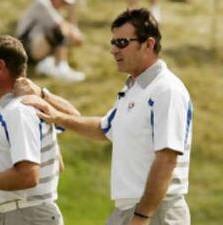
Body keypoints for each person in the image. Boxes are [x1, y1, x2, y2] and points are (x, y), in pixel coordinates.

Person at [22, 8, 192, 225]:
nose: (113, 50)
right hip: (128, 210)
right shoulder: (133, 88)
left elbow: (167, 159)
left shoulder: (167, 90)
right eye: (113, 43)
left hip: (155, 212)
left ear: (148, 44)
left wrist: (142, 216)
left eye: (121, 43)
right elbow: (104, 127)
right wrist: (57, 116)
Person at [0, 35, 64, 225]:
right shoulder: (7, 111)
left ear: (0, 67)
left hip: (25, 216)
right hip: (16, 215)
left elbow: (27, 176)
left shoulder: (19, 111)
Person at [16, 0, 85, 81]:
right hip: (25, 48)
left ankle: (49, 64)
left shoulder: (52, 9)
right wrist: (73, 31)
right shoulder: (42, 3)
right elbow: (64, 29)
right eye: (63, 3)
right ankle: (62, 69)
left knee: (61, 33)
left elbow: (76, 38)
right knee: (59, 32)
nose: (63, 6)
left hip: (34, 47)